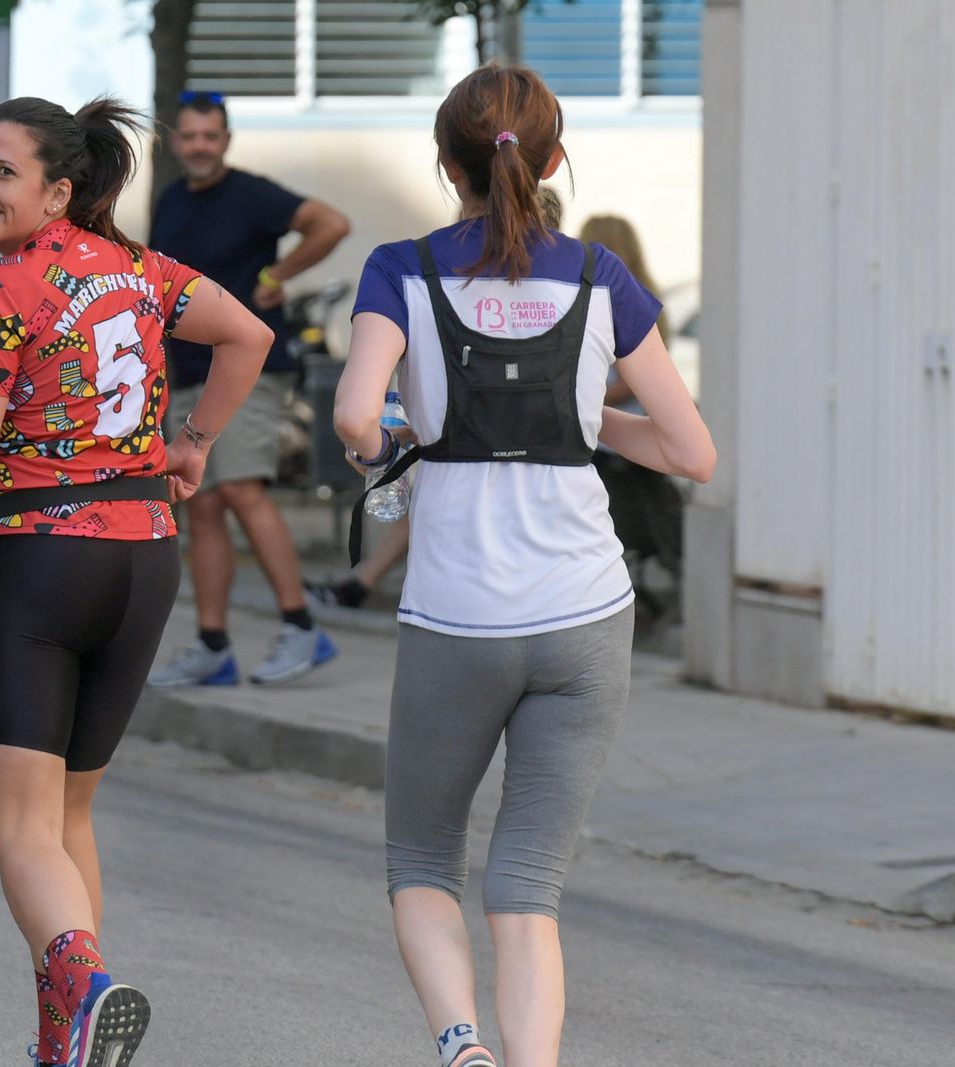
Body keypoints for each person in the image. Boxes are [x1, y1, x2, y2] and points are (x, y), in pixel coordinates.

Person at [333, 63, 714, 1067]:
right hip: (584, 613)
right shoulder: (602, 278)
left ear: (443, 163)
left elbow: (352, 414)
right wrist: (586, 421)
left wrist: (387, 443)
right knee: (527, 883)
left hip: (458, 615)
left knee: (420, 859)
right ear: (551, 160)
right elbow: (692, 452)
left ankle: (463, 1048)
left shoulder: (399, 270)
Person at [0, 95, 270, 1067]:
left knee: (20, 828)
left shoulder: (2, 287)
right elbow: (248, 335)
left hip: (37, 558)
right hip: (142, 555)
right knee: (68, 815)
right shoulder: (140, 269)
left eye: (3, 172)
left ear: (58, 189)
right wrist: (191, 442)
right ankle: (60, 1041)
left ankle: (87, 984)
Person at [146, 91, 352, 687]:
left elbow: (331, 224)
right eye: (189, 137)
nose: (200, 146)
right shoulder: (170, 201)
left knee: (240, 489)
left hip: (246, 371)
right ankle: (213, 645)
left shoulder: (252, 194)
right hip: (186, 374)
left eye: (210, 136)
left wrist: (277, 276)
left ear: (227, 140)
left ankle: (302, 627)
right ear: (177, 143)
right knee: (201, 504)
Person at [306, 185, 566, 612]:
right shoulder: (580, 291)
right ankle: (361, 581)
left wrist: (381, 451)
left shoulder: (427, 285)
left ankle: (361, 581)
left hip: (457, 564)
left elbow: (356, 419)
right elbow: (693, 456)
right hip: (564, 572)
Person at [578, 213, 685, 623]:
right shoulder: (647, 298)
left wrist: (577, 397)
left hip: (612, 439)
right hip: (636, 437)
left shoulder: (609, 295)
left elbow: (627, 381)